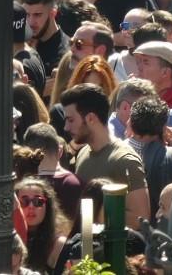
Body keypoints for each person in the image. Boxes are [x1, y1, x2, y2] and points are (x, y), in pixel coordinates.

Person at [58, 84, 151, 227]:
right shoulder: (82, 153)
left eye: (71, 120)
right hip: (86, 247)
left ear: (90, 118)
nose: (66, 128)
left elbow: (141, 219)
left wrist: (96, 212)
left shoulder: (125, 160)